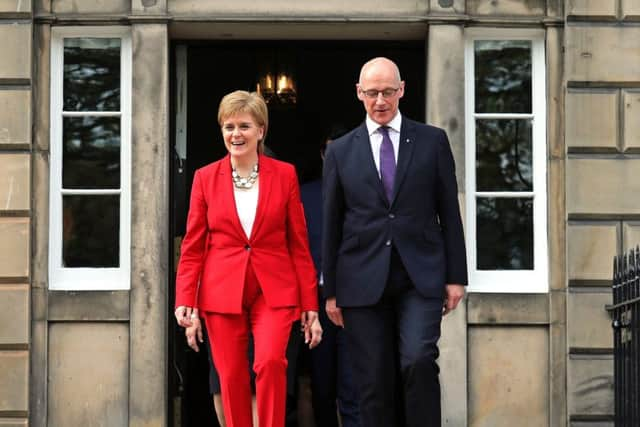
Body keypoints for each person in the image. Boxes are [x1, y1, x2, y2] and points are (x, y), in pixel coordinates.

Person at [322, 57, 468, 427]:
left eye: (388, 92)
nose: (380, 101)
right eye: (372, 93)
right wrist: (330, 289)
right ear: (359, 93)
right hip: (360, 279)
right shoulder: (340, 151)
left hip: (420, 276)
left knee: (417, 360)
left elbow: (449, 211)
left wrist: (456, 276)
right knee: (373, 380)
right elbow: (331, 223)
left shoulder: (432, 141)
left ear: (402, 90)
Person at [175, 90, 322, 427]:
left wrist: (309, 304)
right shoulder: (204, 178)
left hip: (275, 290)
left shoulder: (284, 175)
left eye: (243, 126)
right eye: (228, 127)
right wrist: (186, 297)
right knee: (230, 376)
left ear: (261, 130)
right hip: (221, 292)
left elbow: (299, 245)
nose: (235, 134)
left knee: (271, 362)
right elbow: (194, 245)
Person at [300, 125, 360, 427]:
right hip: (315, 302)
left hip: (357, 300)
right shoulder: (303, 194)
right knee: (322, 386)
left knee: (353, 388)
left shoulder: (368, 195)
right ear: (323, 154)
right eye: (329, 151)